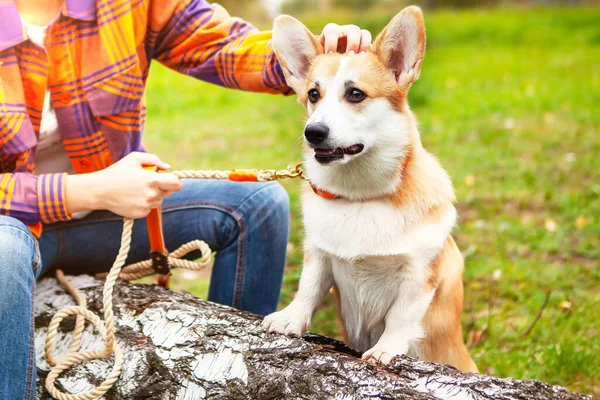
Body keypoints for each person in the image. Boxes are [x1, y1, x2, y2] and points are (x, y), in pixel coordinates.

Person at [0, 0, 372, 398]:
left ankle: (231, 383)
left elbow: (223, 46)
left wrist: (320, 58)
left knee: (259, 206)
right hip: (10, 227)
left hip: (103, 221)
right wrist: (89, 189)